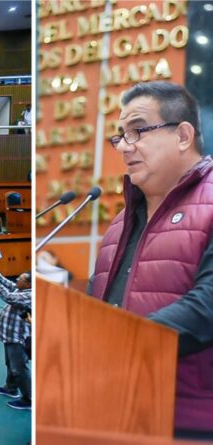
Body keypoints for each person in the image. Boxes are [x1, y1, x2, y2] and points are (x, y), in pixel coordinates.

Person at [86, 81, 213, 438]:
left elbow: (207, 305)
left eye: (138, 131)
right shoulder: (118, 225)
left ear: (183, 136)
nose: (125, 147)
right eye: (120, 136)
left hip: (190, 421)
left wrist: (124, 344)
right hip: (111, 413)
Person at [0, 268, 32, 410]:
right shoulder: (21, 289)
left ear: (28, 284)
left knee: (19, 368)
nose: (17, 280)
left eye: (20, 279)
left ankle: (28, 399)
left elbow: (8, 296)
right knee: (11, 364)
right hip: (9, 336)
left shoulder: (30, 295)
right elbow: (9, 284)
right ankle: (11, 388)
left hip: (18, 337)